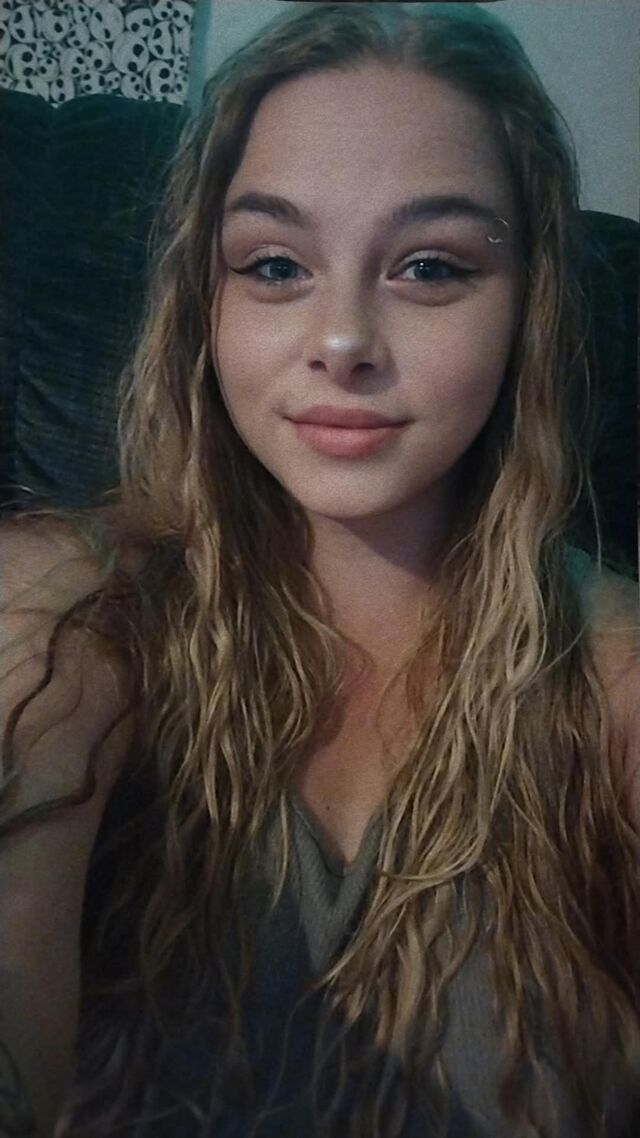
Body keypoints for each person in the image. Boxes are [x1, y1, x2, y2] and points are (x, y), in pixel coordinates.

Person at [0, 3, 638, 1136]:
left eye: (430, 266)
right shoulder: (66, 610)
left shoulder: (613, 677)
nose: (341, 340)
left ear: (526, 309)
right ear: (205, 302)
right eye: (276, 264)